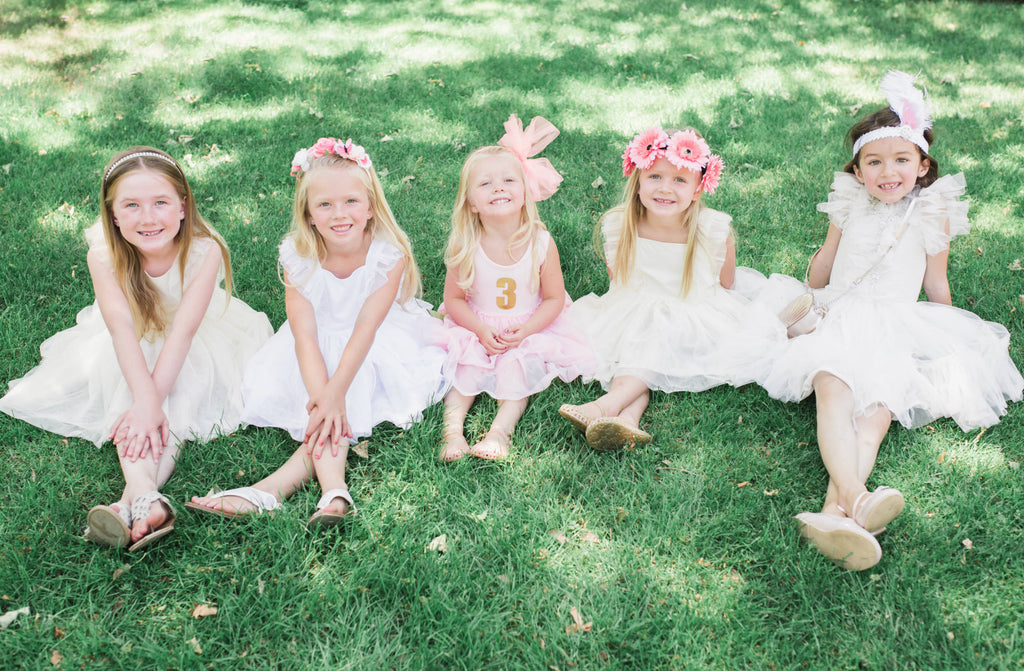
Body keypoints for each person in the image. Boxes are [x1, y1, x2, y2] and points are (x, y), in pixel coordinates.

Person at [757, 71, 1023, 570]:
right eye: (874, 162)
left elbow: (936, 283)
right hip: (841, 316)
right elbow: (824, 269)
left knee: (874, 414)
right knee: (833, 391)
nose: (888, 171)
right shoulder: (848, 204)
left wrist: (946, 339)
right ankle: (857, 501)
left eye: (902, 160)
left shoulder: (931, 213)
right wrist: (819, 262)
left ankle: (833, 512)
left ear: (923, 166)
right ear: (858, 171)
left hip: (897, 324)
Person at [0, 147, 273, 550]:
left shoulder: (204, 250)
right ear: (113, 215)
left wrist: (150, 405)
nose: (148, 218)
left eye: (160, 203)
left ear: (183, 207)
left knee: (178, 397)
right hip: (127, 341)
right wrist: (144, 402)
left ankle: (133, 500)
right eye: (131, 206)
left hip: (199, 339)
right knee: (127, 388)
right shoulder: (103, 255)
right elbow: (122, 330)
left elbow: (183, 333)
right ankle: (149, 499)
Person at [187, 137, 449, 525]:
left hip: (376, 343)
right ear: (308, 213)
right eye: (324, 204)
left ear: (371, 206)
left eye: (350, 202)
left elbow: (366, 327)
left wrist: (334, 393)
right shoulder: (298, 254)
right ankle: (331, 493)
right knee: (328, 390)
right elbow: (304, 333)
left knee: (346, 383)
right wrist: (321, 396)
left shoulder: (388, 254)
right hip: (309, 351)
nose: (338, 214)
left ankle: (276, 490)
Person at [560, 127, 784, 451]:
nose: (666, 188)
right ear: (637, 182)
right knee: (643, 336)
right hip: (632, 310)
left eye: (680, 180)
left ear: (697, 189)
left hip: (694, 314)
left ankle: (604, 406)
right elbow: (619, 282)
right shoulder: (618, 225)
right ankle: (628, 420)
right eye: (655, 177)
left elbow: (726, 284)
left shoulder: (712, 230)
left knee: (657, 332)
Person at [439, 114, 593, 462]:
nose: (499, 187)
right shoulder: (465, 243)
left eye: (509, 180)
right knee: (465, 367)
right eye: (486, 183)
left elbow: (554, 298)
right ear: (471, 203)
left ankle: (499, 433)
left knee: (519, 368)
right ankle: (452, 433)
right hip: (477, 323)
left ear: (525, 193)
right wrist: (479, 329)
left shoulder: (540, 242)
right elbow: (453, 299)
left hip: (527, 324)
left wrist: (526, 331)